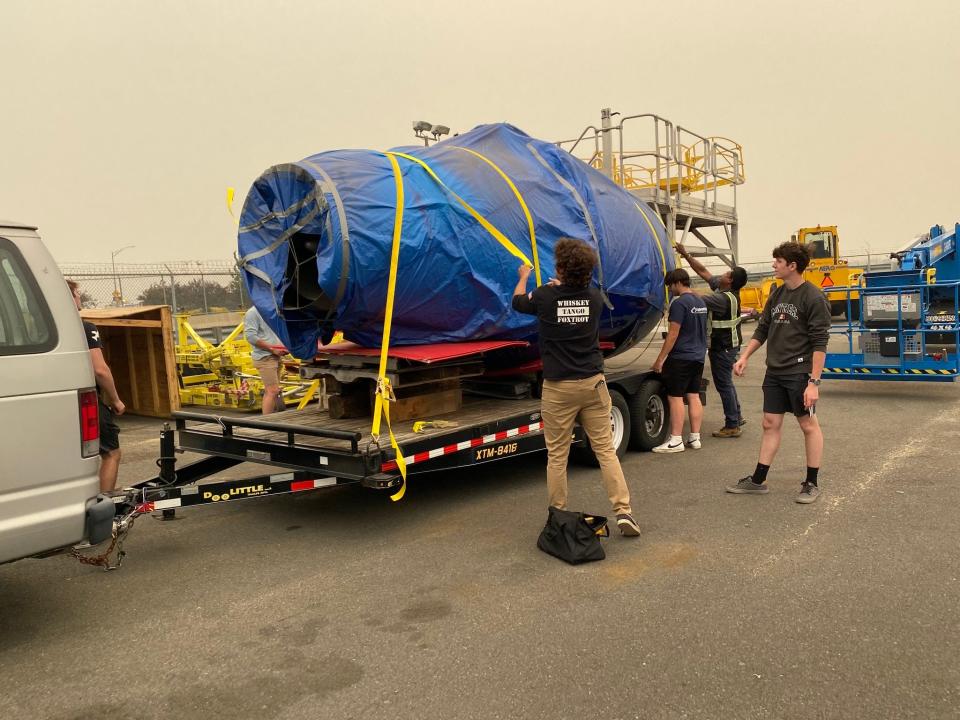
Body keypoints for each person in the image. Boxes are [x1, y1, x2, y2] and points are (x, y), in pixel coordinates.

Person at [512, 238, 641, 537]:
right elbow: (574, 298)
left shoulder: (544, 296)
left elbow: (518, 302)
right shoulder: (595, 298)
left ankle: (558, 513)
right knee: (605, 451)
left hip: (559, 387)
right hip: (594, 384)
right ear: (587, 271)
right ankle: (624, 511)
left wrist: (523, 277)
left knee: (557, 455)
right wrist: (564, 288)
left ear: (559, 268)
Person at [725, 242, 831, 504]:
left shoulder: (814, 298)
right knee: (769, 424)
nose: (773, 264)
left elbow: (820, 343)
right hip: (775, 371)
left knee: (808, 425)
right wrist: (745, 356)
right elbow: (763, 329)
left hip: (799, 372)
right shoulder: (777, 293)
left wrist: (813, 383)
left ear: (792, 265)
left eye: (778, 261)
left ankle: (811, 483)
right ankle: (758, 480)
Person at [674, 243, 749, 437]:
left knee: (723, 384)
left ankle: (732, 425)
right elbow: (703, 271)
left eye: (726, 273)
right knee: (727, 383)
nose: (722, 274)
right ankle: (736, 416)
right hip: (727, 346)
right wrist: (686, 255)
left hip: (723, 347)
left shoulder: (722, 299)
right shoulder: (723, 289)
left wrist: (679, 286)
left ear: (730, 281)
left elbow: (694, 297)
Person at [68, 280, 125, 492]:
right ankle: (106, 505)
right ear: (70, 298)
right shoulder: (86, 328)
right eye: (77, 294)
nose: (79, 298)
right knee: (111, 453)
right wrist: (116, 400)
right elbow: (100, 370)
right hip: (85, 399)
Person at [650, 268, 708, 453]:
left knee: (675, 397)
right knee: (693, 395)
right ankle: (695, 437)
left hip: (681, 357)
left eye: (670, 286)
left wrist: (660, 359)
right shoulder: (700, 301)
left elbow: (673, 334)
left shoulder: (679, 303)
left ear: (676, 283)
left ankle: (676, 440)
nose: (670, 290)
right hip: (698, 356)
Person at [243, 306, 287, 415]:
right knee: (272, 391)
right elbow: (250, 336)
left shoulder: (272, 310)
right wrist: (272, 349)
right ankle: (267, 422)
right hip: (265, 357)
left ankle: (275, 420)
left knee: (274, 391)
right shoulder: (253, 312)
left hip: (276, 356)